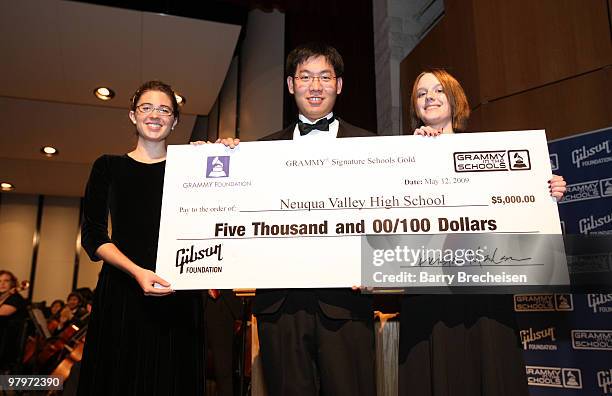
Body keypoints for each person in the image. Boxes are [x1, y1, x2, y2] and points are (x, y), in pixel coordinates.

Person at [398, 69, 567, 395]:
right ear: (415, 107)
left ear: (454, 99)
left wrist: (547, 191)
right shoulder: (399, 157)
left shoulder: (490, 151)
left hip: (483, 291)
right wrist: (416, 156)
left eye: (437, 90)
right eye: (421, 94)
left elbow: (520, 206)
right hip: (428, 293)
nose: (429, 97)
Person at [253, 43, 376, 396]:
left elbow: (387, 218)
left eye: (325, 77)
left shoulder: (373, 147)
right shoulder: (257, 152)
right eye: (305, 77)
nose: (315, 86)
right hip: (280, 304)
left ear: (339, 85)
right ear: (291, 85)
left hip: (347, 302)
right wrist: (212, 159)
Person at [77, 80, 206, 395]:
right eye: (146, 107)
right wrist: (137, 272)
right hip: (122, 290)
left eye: (164, 109)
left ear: (174, 121)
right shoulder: (108, 166)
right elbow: (93, 236)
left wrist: (218, 153)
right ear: (133, 116)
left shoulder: (187, 166)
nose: (155, 115)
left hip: (176, 290)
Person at [0, 270, 27, 371]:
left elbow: (1, 315)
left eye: (6, 281)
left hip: (8, 344)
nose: (2, 284)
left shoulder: (15, 298)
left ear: (12, 283)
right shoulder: (3, 297)